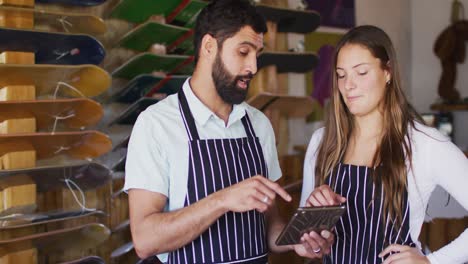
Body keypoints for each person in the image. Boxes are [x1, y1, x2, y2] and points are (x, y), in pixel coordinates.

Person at [124, 1, 334, 263]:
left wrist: (297, 241)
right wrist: (223, 200)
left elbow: (271, 228)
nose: (253, 67)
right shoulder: (157, 125)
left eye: (257, 54)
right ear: (209, 47)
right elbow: (145, 240)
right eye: (243, 52)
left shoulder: (258, 124)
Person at [300, 25, 468, 264]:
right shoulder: (322, 142)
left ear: (387, 71)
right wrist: (312, 229)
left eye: (361, 72)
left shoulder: (425, 144)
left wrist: (432, 262)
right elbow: (308, 243)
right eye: (341, 74)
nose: (348, 85)